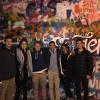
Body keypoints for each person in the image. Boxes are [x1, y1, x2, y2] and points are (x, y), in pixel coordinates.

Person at [0, 36, 16, 100]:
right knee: (2, 95)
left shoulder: (13, 50)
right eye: (7, 41)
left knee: (10, 95)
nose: (9, 43)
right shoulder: (1, 51)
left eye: (10, 41)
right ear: (4, 42)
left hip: (12, 77)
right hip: (3, 79)